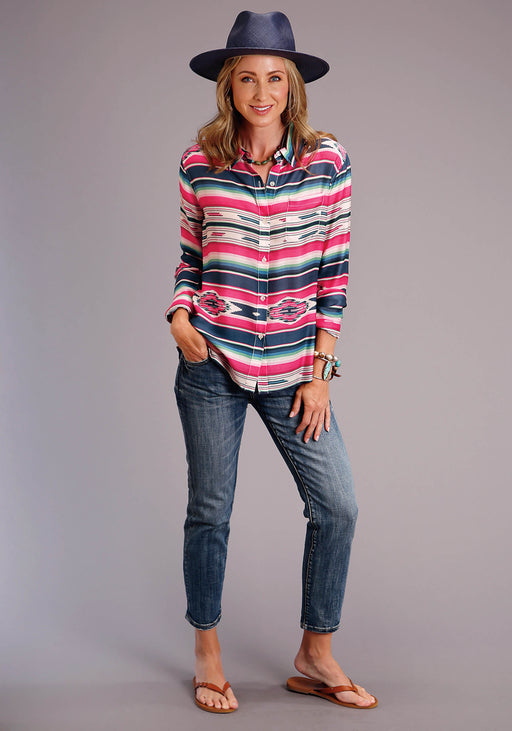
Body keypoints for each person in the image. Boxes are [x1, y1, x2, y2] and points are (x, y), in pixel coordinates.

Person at [166, 10, 377, 714]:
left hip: (293, 369)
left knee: (338, 505)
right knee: (210, 511)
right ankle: (207, 651)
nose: (263, 92)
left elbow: (334, 277)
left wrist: (322, 374)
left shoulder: (328, 161)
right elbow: (191, 258)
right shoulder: (200, 161)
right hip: (211, 362)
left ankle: (315, 652)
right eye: (248, 78)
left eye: (276, 79)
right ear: (228, 86)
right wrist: (178, 315)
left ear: (293, 87)